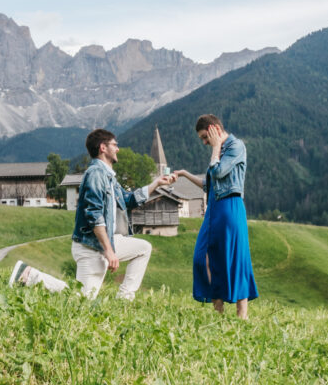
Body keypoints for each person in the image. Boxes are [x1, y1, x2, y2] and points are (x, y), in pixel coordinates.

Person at [71, 128, 174, 300]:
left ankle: (125, 298)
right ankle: (31, 276)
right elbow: (94, 215)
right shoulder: (96, 174)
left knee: (143, 249)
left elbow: (128, 200)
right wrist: (109, 250)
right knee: (82, 300)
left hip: (106, 242)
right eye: (114, 145)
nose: (118, 149)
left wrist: (156, 184)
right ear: (103, 148)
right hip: (91, 247)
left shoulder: (109, 177)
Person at [173, 114, 258, 319]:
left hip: (230, 207)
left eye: (205, 136)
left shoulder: (236, 147)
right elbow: (208, 184)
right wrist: (184, 174)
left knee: (236, 257)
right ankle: (218, 312)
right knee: (203, 258)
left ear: (215, 130)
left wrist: (215, 148)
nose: (204, 142)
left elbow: (218, 172)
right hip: (214, 209)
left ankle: (242, 315)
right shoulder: (220, 149)